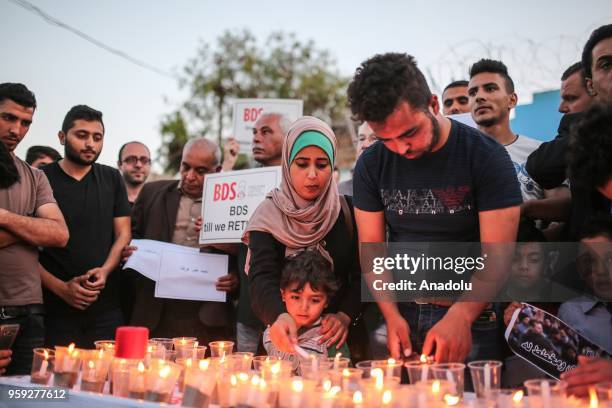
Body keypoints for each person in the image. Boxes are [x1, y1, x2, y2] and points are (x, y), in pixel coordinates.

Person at [347, 53, 522, 362]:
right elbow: (372, 250)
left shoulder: (485, 157)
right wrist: (390, 314)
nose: (401, 148)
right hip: (400, 311)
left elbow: (498, 253)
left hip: (472, 315)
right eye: (386, 139)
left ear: (432, 105)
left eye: (409, 133)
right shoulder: (371, 165)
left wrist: (462, 316)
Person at [243, 116, 361, 354]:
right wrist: (278, 315)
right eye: (302, 163)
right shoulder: (268, 215)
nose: (312, 175)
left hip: (337, 346)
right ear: (287, 164)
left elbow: (365, 272)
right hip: (281, 341)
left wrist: (345, 315)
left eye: (321, 164)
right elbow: (261, 276)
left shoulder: (348, 211)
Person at [125, 138, 238, 344]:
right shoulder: (152, 193)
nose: (190, 176)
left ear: (218, 170)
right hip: (155, 310)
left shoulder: (234, 203)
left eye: (201, 171)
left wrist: (235, 278)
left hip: (207, 316)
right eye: (185, 167)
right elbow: (130, 237)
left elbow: (248, 252)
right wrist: (128, 254)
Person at [39, 105, 131, 348]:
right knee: (55, 383)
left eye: (97, 137)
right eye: (82, 135)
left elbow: (123, 234)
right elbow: (24, 248)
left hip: (106, 308)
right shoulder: (40, 178)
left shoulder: (112, 178)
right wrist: (61, 289)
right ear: (62, 137)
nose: (90, 143)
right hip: (53, 310)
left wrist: (105, 270)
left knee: (107, 381)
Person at [0, 83, 69, 375]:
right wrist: (31, 224)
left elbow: (59, 234)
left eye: (25, 122)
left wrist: (4, 216)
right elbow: (45, 229)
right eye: (8, 117)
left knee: (26, 399)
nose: (17, 129)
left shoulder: (35, 175)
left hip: (30, 310)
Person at [526, 24, 612, 241]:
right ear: (592, 86)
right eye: (606, 65)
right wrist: (597, 122)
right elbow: (540, 168)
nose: (562, 108)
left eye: (571, 98)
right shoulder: (583, 133)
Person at [235, 113, 291, 353]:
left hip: (291, 309)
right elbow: (240, 246)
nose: (257, 138)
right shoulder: (238, 183)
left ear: (288, 137)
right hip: (248, 304)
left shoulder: (305, 185)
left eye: (266, 132)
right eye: (254, 133)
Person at [263, 250, 349, 371]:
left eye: (314, 300)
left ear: (327, 301)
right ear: (283, 294)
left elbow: (343, 379)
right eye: (296, 297)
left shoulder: (330, 339)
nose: (304, 307)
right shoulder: (272, 330)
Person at [557, 217, 612, 353]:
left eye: (610, 259)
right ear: (580, 269)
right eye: (589, 262)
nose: (600, 271)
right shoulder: (572, 314)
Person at [338, 122, 377, 196]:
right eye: (361, 139)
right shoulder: (341, 191)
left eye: (374, 139)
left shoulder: (398, 191)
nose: (365, 145)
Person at [117, 141, 151, 206]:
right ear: (119, 164)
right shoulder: (106, 201)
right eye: (131, 160)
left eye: (144, 160)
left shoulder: (159, 203)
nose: (138, 165)